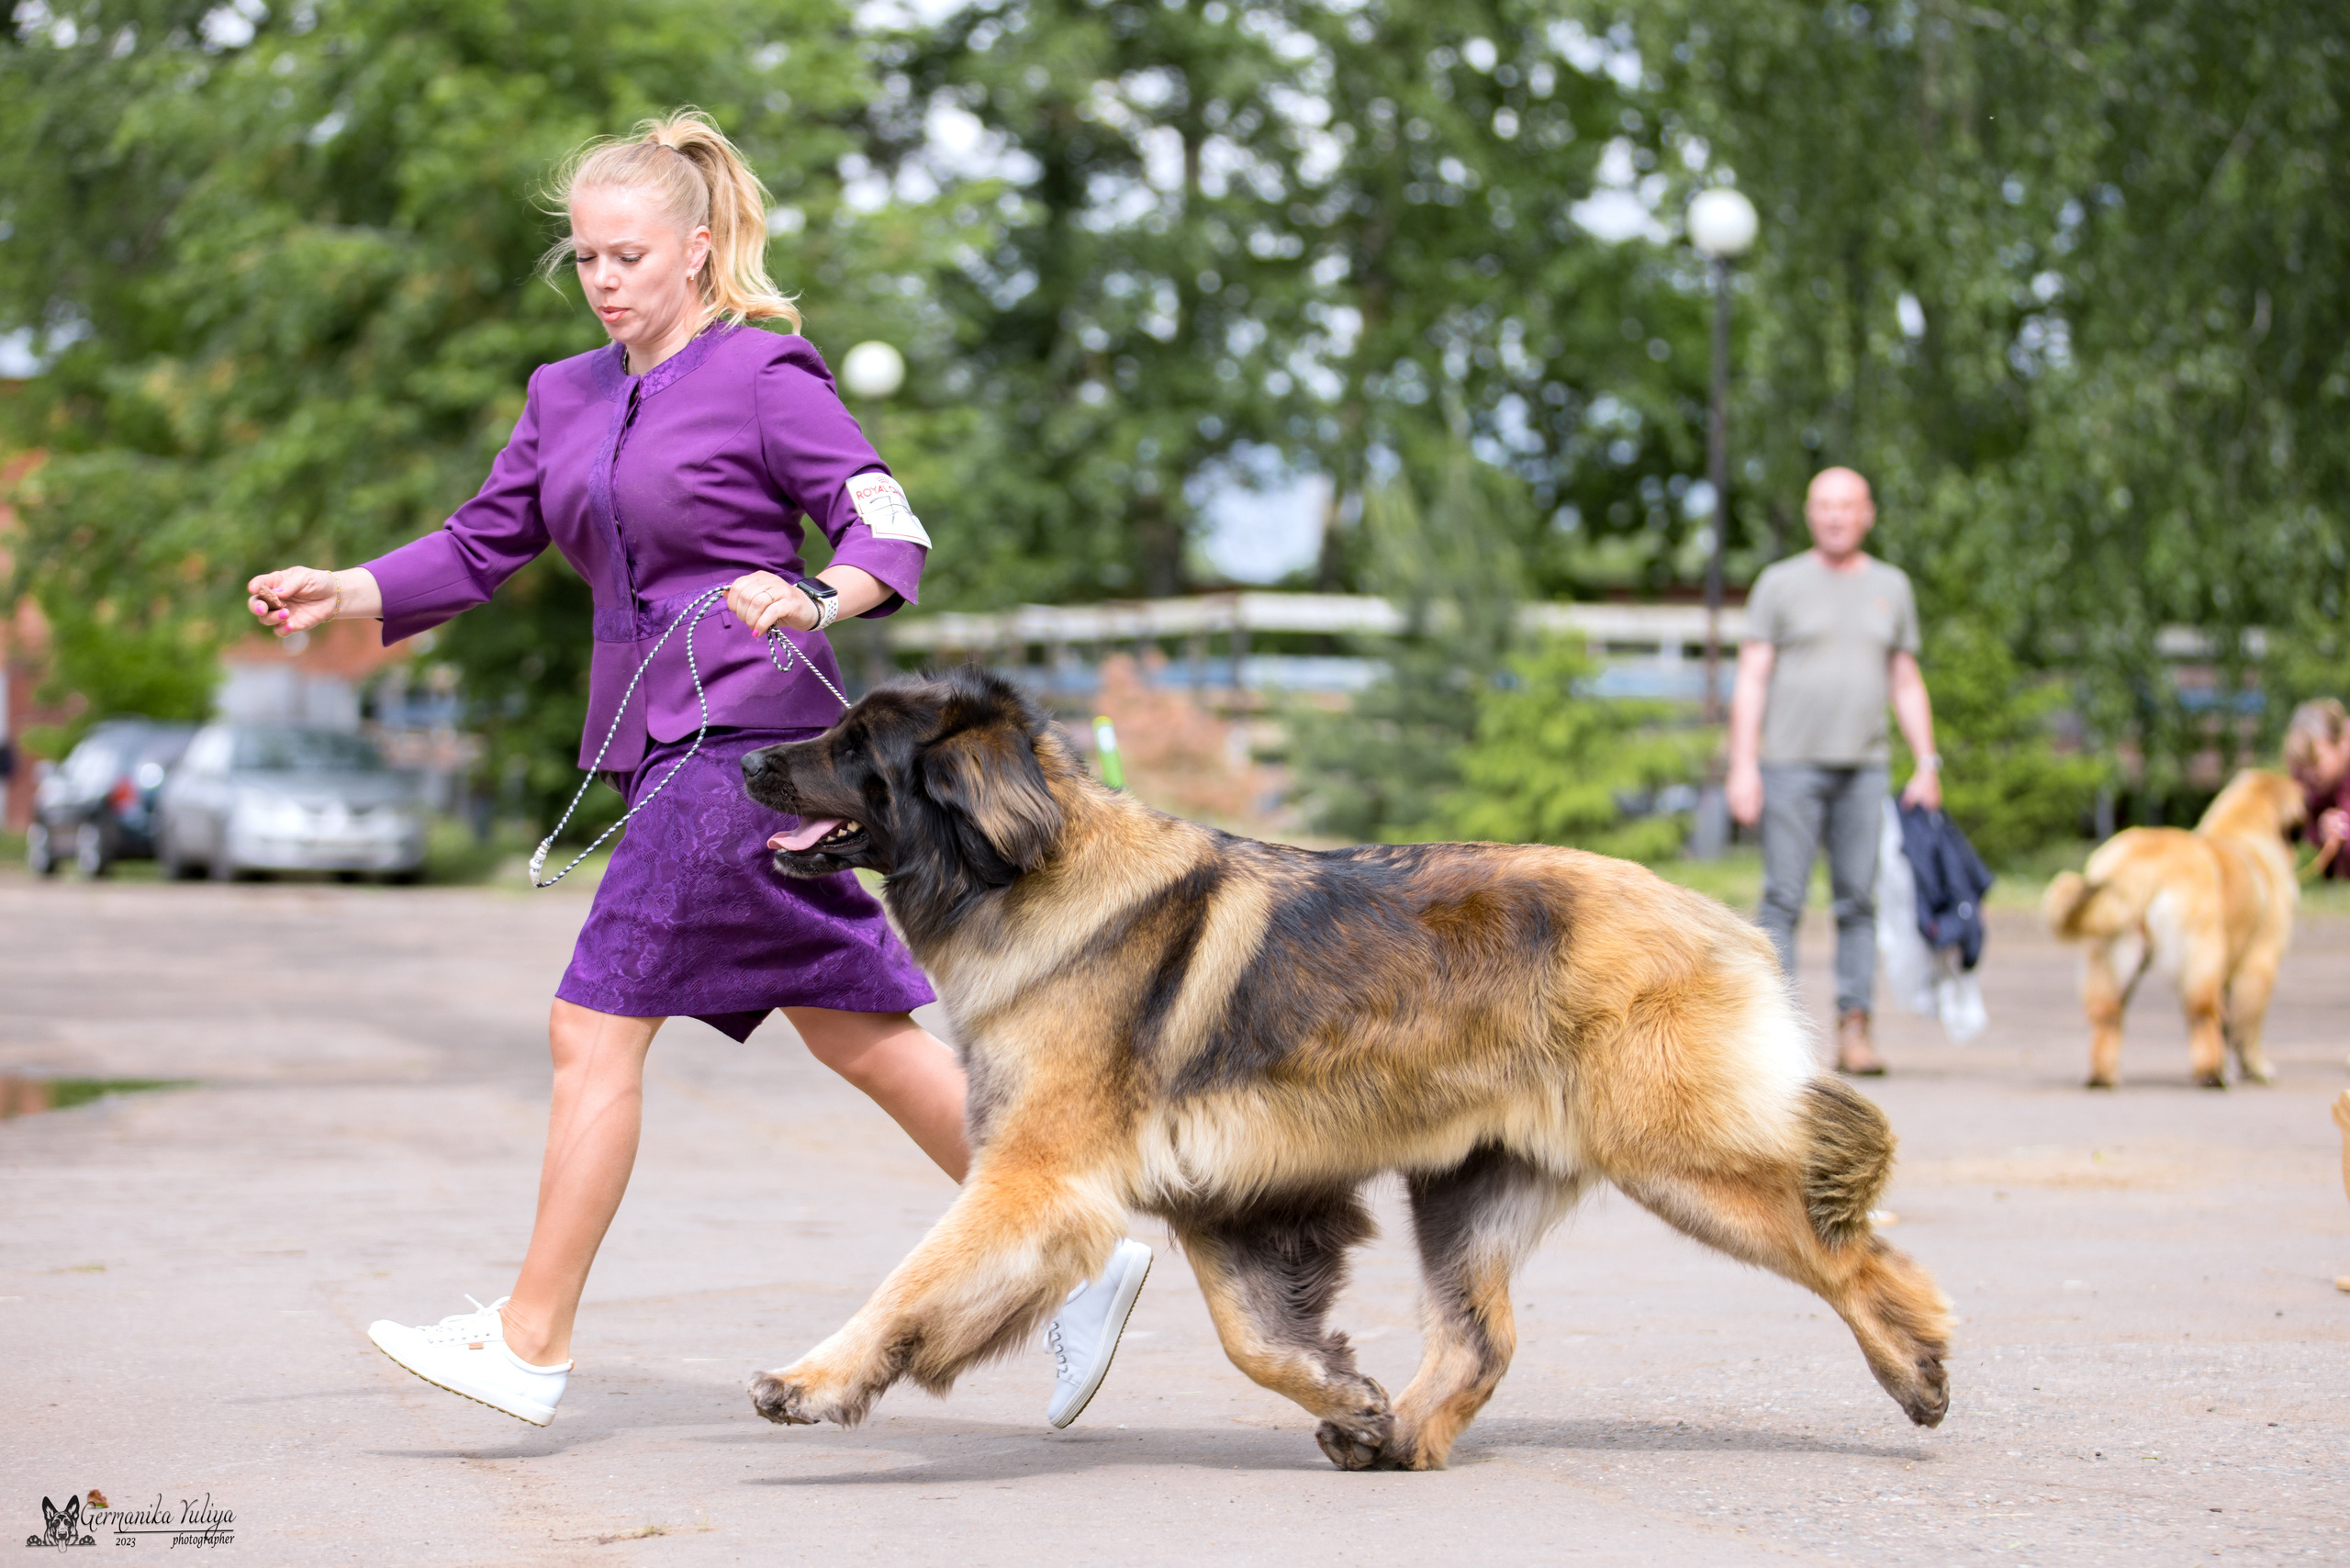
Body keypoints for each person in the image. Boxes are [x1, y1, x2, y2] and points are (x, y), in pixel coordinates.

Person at [244, 111, 1149, 1431]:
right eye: (587, 260)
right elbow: (483, 542)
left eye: (628, 256)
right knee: (862, 1038)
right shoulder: (564, 393)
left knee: (591, 1029)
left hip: (745, 751)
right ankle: (1081, 1242)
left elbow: (883, 521)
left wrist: (816, 593)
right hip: (662, 750)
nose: (605, 280)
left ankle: (528, 1337)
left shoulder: (766, 373)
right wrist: (348, 590)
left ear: (697, 248)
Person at [1725, 466, 1942, 1076]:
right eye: (1824, 505)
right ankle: (1778, 1037)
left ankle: (1855, 1029)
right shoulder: (1780, 583)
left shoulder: (1891, 586)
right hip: (1790, 766)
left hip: (1865, 768)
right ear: (1809, 512)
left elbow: (1905, 679)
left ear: (1867, 513)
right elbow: (1752, 676)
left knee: (1858, 902)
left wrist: (1927, 761)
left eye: (1847, 505)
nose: (1835, 515)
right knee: (1782, 900)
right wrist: (1743, 765)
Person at [2284, 698, 2350, 878]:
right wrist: (2324, 834)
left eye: (2317, 761)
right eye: (2303, 766)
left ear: (2342, 743)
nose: (2310, 774)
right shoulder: (2313, 789)